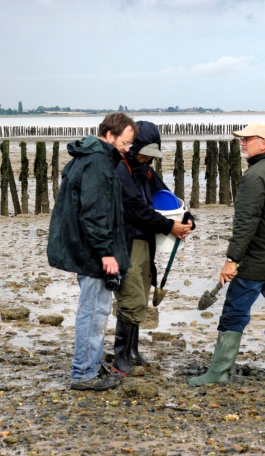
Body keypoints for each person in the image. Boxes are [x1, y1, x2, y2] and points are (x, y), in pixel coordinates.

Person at [188, 122, 265, 386]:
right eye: (241, 139)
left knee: (234, 313)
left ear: (264, 143)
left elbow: (245, 222)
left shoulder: (255, 176)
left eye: (247, 139)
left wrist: (232, 260)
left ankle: (218, 374)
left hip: (256, 261)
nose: (242, 143)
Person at [47, 112, 137, 391]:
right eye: (126, 142)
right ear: (110, 136)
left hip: (85, 248)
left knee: (96, 309)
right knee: (94, 312)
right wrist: (106, 253)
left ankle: (92, 365)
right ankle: (83, 372)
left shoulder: (88, 157)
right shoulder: (98, 162)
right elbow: (94, 213)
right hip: (93, 252)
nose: (128, 148)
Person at [111, 120, 193, 375]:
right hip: (126, 241)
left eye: (152, 154)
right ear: (134, 147)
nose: (149, 159)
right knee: (132, 297)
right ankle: (120, 357)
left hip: (146, 240)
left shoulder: (145, 169)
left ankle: (133, 351)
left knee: (143, 293)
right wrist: (169, 227)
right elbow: (137, 209)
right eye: (146, 152)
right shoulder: (119, 169)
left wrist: (186, 219)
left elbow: (166, 196)